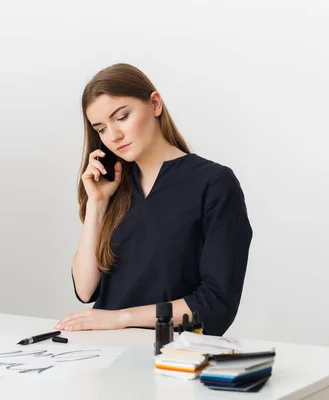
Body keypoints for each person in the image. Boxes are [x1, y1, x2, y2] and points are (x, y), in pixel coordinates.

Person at [54, 63, 253, 336]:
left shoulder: (214, 184)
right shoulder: (113, 187)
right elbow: (85, 290)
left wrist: (121, 318)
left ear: (155, 104)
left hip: (173, 360)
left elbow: (217, 304)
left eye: (122, 117)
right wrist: (97, 205)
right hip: (103, 354)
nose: (113, 136)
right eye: (100, 129)